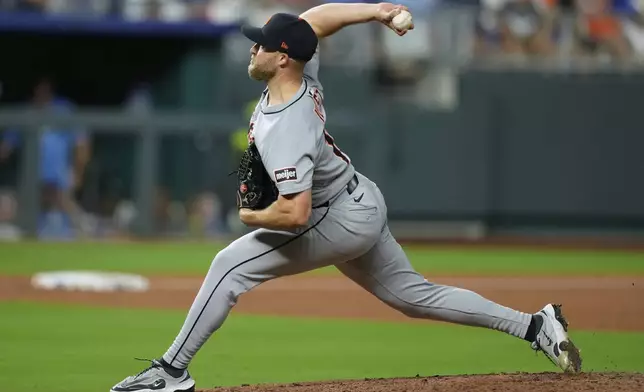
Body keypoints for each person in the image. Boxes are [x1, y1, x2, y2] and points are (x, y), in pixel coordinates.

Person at [109, 3, 582, 392]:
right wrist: (378, 11)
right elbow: (314, 20)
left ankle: (170, 371)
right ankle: (534, 326)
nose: (252, 49)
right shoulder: (300, 69)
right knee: (413, 295)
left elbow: (295, 214)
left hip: (337, 217)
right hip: (359, 199)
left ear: (282, 58)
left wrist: (252, 214)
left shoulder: (286, 126)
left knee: (228, 267)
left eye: (261, 45)